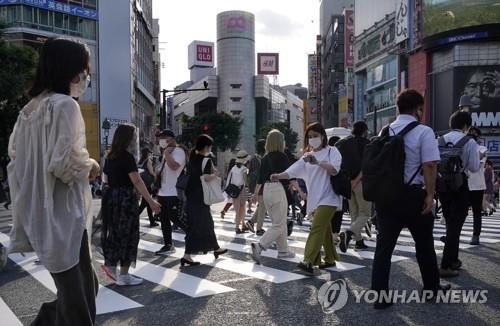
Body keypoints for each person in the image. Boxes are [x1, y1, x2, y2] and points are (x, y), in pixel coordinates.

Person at [7, 38, 99, 325]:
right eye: (84, 69)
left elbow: (16, 160)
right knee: (78, 304)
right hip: (64, 214)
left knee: (82, 290)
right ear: (70, 68)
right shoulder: (64, 105)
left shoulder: (28, 110)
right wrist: (92, 165)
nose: (85, 75)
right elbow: (65, 164)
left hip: (38, 210)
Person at [371, 89, 447, 309]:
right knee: (424, 244)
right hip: (414, 196)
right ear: (418, 109)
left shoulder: (385, 130)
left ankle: (380, 297)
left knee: (384, 247)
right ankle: (431, 290)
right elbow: (430, 164)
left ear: (398, 108)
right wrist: (430, 195)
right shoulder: (424, 131)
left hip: (386, 197)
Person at [271, 123, 341, 273]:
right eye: (309, 137)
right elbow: (293, 170)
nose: (312, 139)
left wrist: (318, 162)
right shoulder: (307, 156)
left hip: (330, 197)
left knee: (316, 227)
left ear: (323, 136)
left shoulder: (332, 151)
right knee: (324, 229)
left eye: (315, 136)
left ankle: (308, 260)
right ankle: (329, 259)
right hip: (315, 199)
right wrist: (279, 175)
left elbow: (335, 170)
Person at [101, 124, 161, 286]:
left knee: (114, 232)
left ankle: (111, 267)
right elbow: (136, 181)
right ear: (128, 138)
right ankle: (124, 275)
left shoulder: (110, 156)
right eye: (134, 136)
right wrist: (151, 201)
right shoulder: (127, 157)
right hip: (126, 198)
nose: (136, 139)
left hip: (112, 198)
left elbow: (105, 180)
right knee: (129, 234)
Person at [438, 111, 480, 277]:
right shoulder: (469, 141)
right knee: (456, 226)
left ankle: (453, 260)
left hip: (442, 185)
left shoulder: (439, 139)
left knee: (450, 222)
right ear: (466, 126)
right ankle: (446, 264)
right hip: (460, 185)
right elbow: (474, 167)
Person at [181, 134, 227, 266]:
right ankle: (187, 255)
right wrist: (215, 175)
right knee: (197, 225)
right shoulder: (206, 160)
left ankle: (216, 248)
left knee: (205, 223)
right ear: (206, 146)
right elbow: (206, 177)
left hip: (191, 195)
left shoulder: (192, 158)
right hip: (201, 196)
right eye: (210, 146)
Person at [250, 130, 295, 263]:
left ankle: (283, 251)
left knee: (278, 221)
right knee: (280, 223)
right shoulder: (282, 156)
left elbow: (260, 179)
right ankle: (260, 245)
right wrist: (300, 190)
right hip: (277, 189)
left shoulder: (265, 158)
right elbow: (289, 175)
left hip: (266, 191)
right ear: (280, 142)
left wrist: (255, 194)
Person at [336, 121, 371, 251]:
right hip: (361, 181)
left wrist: (349, 181)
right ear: (364, 131)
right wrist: (357, 180)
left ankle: (359, 241)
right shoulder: (366, 143)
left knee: (354, 213)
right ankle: (349, 233)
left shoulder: (342, 143)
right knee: (365, 213)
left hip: (347, 183)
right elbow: (366, 165)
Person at [154, 129, 187, 256]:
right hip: (163, 192)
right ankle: (168, 244)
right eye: (160, 137)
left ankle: (194, 237)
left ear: (172, 138)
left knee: (177, 218)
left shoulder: (178, 151)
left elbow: (174, 166)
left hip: (174, 191)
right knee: (164, 220)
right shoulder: (165, 152)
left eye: (164, 137)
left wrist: (167, 153)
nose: (161, 140)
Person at [466, 127, 486, 245]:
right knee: (460, 211)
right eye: (470, 134)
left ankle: (476, 235)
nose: (472, 136)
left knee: (476, 211)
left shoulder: (483, 148)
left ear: (478, 136)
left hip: (477, 185)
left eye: (474, 134)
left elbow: (476, 166)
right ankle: (452, 234)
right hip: (464, 184)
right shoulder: (465, 146)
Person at [245, 140, 267, 235]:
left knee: (263, 205)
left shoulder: (253, 158)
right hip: (261, 184)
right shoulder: (264, 158)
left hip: (256, 185)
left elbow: (249, 173)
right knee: (262, 206)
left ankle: (251, 222)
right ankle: (259, 228)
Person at [227, 150, 250, 234]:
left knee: (237, 210)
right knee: (242, 208)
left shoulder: (233, 168)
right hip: (241, 190)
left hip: (234, 190)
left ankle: (242, 225)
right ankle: (238, 227)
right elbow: (245, 181)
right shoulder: (244, 169)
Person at [138, 148, 157, 227]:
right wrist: (156, 175)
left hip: (142, 184)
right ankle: (133, 217)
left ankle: (152, 221)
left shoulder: (140, 161)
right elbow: (151, 172)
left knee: (147, 203)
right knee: (144, 204)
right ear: (148, 153)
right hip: (148, 184)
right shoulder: (148, 161)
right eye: (150, 153)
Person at [247, 141, 264, 214]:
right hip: (261, 179)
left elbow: (250, 169)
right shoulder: (264, 157)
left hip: (253, 179)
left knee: (252, 192)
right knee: (261, 194)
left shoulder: (253, 158)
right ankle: (260, 208)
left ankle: (250, 208)